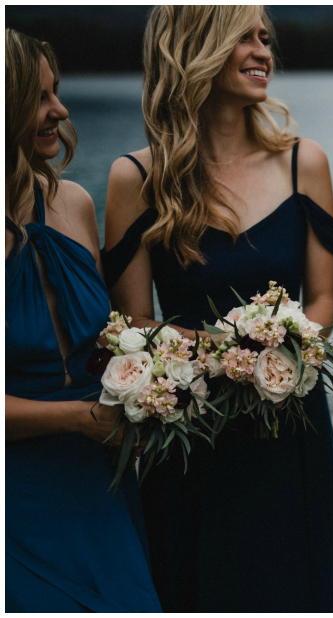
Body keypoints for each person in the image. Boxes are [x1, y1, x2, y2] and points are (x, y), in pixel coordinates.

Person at [101, 6, 333, 611]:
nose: (263, 51)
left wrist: (280, 350)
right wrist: (221, 351)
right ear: (197, 50)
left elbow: (323, 298)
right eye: (245, 36)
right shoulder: (136, 177)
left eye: (267, 38)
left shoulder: (304, 162)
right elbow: (132, 322)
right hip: (191, 435)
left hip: (290, 425)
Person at [5, 28, 162, 613]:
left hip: (101, 484)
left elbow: (111, 343)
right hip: (16, 496)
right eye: (41, 97)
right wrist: (77, 418)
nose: (60, 110)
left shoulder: (72, 203)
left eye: (59, 91)